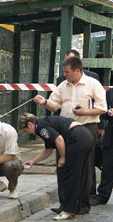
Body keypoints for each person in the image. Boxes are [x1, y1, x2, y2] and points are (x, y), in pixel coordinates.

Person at [34, 56, 107, 214]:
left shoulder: (93, 84)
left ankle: (81, 205)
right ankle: (65, 204)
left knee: (84, 168)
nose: (64, 75)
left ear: (77, 71)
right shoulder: (62, 85)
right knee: (62, 166)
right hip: (66, 129)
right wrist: (44, 102)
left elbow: (103, 108)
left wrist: (85, 112)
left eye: (67, 72)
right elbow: (55, 106)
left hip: (87, 127)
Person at [20, 113, 92, 220]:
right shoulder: (44, 123)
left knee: (70, 175)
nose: (28, 133)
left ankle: (69, 210)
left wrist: (62, 157)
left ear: (30, 124)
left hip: (76, 137)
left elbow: (59, 139)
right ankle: (74, 206)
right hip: (84, 135)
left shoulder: (40, 127)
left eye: (26, 130)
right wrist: (33, 161)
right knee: (78, 173)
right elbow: (48, 150)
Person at [90, 63, 113, 206]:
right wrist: (108, 116)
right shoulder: (109, 93)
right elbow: (101, 110)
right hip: (111, 134)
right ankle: (103, 195)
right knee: (108, 166)